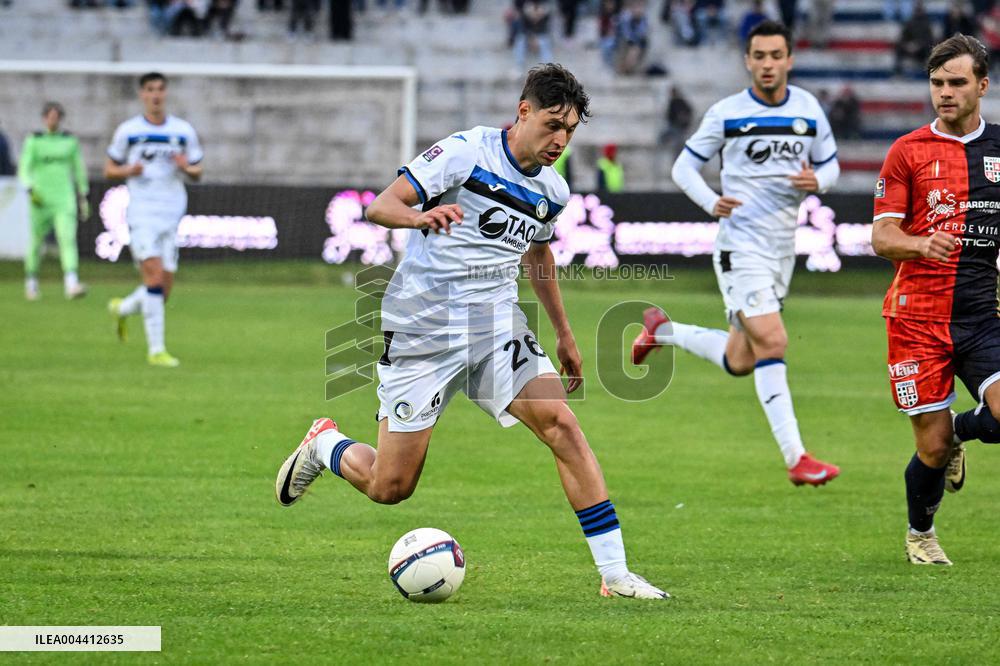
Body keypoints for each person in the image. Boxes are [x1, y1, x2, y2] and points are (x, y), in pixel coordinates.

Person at [274, 64, 669, 600]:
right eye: (553, 124)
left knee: (562, 425)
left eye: (570, 131)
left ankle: (616, 575)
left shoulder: (552, 190)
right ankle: (325, 445)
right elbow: (381, 205)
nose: (560, 140)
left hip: (492, 324)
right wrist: (420, 219)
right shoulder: (464, 152)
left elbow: (539, 253)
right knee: (391, 487)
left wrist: (565, 333)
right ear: (523, 111)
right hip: (421, 327)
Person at [636, 20, 842, 486]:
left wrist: (820, 181)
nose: (768, 64)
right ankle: (797, 458)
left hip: (780, 251)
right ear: (747, 61)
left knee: (741, 359)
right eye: (759, 56)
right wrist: (711, 202)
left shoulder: (809, 110)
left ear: (789, 59)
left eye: (776, 55)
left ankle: (661, 331)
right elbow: (683, 167)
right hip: (740, 246)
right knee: (774, 342)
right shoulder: (727, 113)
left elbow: (831, 165)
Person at [870, 33, 1000, 565]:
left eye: (956, 82)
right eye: (936, 83)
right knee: (931, 446)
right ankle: (921, 533)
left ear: (982, 85)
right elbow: (881, 237)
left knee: (966, 429)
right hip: (916, 320)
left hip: (981, 316)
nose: (944, 93)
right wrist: (921, 242)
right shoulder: (908, 151)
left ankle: (962, 430)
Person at [105, 72, 203, 368]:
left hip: (172, 214)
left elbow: (198, 171)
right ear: (142, 94)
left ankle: (123, 307)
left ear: (166, 93)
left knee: (163, 290)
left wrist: (187, 167)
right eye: (150, 90)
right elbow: (110, 168)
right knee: (154, 278)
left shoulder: (183, 131)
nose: (156, 95)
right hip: (142, 214)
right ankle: (156, 350)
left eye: (160, 89)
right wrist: (126, 172)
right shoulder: (129, 131)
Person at [18, 102, 90, 301]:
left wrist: (83, 193)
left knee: (67, 239)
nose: (52, 121)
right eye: (49, 117)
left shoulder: (69, 141)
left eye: (56, 117)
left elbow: (78, 169)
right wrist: (29, 187)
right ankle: (31, 283)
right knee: (36, 241)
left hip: (63, 197)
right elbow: (25, 167)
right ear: (44, 119)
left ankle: (71, 282)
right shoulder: (34, 140)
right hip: (40, 198)